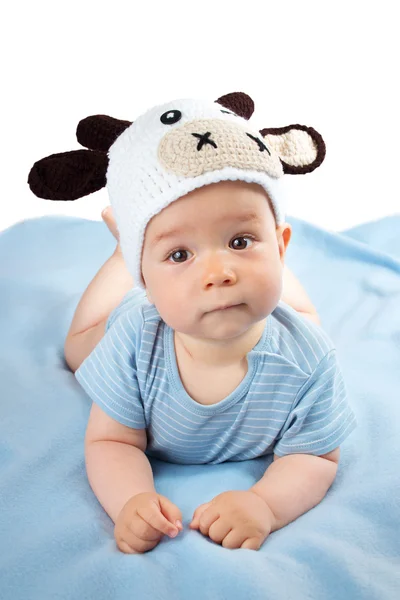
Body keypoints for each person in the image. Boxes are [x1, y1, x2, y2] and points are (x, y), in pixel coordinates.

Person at [30, 92, 356, 554]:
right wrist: (130, 500)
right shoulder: (132, 341)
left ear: (283, 245)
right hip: (135, 316)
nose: (218, 272)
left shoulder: (310, 361)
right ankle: (124, 247)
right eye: (179, 254)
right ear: (145, 275)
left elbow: (316, 454)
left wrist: (265, 504)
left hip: (279, 309)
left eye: (241, 240)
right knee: (78, 347)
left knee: (307, 320)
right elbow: (111, 442)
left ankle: (228, 253)